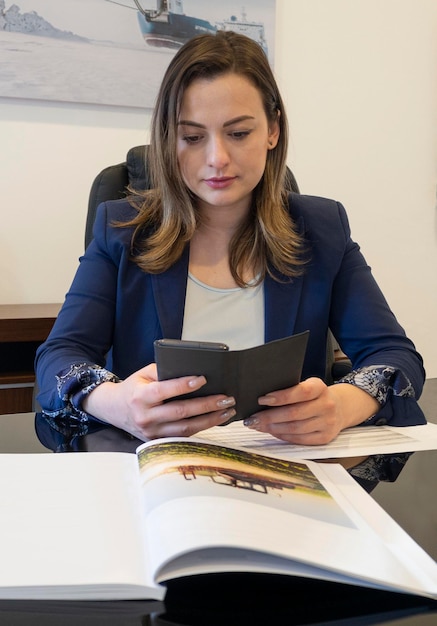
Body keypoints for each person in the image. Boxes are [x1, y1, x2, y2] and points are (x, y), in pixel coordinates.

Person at [35, 30, 426, 446]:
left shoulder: (322, 228)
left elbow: (396, 357)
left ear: (273, 130)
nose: (217, 158)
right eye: (192, 137)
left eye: (238, 133)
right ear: (169, 139)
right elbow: (58, 358)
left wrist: (343, 405)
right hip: (154, 474)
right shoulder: (121, 230)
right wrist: (115, 402)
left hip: (289, 470)